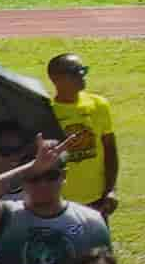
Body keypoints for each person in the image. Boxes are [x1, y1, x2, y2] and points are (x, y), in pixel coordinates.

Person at [45, 51, 122, 212]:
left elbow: (110, 149)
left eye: (83, 70)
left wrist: (111, 190)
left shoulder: (98, 105)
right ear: (55, 78)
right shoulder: (47, 112)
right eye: (74, 71)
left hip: (97, 199)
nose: (81, 75)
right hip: (60, 201)